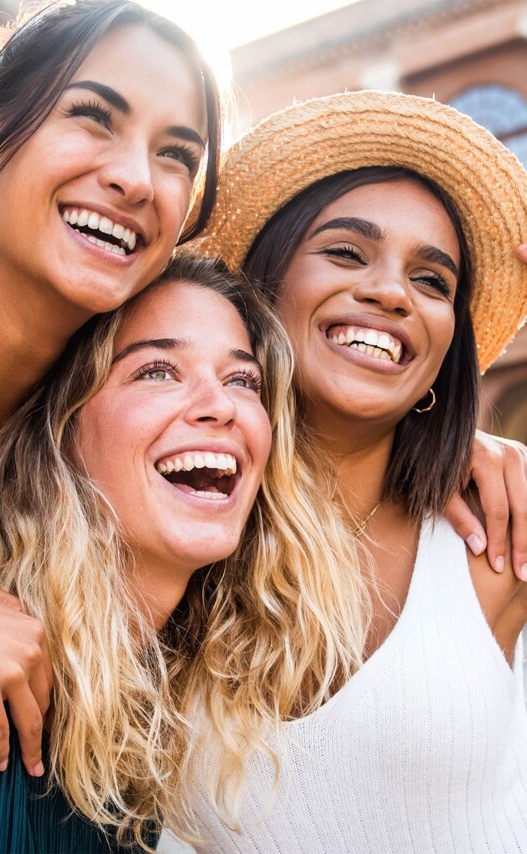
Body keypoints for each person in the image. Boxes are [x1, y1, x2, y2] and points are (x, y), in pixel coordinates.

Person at [185, 90, 527, 850]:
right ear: (262, 287)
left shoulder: (501, 539)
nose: (390, 292)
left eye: (433, 281)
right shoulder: (166, 529)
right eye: (345, 251)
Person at [0, 254, 344, 849]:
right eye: (158, 371)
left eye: (243, 381)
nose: (219, 406)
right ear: (59, 429)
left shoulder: (144, 739)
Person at [0, 0, 221, 778]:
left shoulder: (97, 439)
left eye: (177, 155)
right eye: (92, 116)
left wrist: (447, 450)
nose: (134, 179)